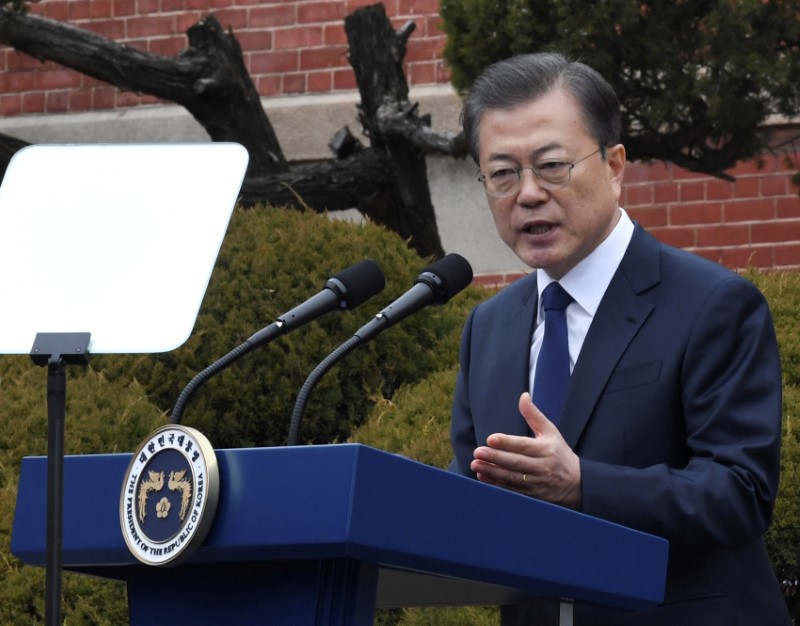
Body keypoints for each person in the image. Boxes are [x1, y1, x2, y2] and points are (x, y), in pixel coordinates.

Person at [448, 52, 791, 625]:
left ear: (613, 165)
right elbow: (466, 495)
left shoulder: (711, 304)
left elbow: (740, 492)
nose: (528, 193)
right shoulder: (490, 326)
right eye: (503, 174)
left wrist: (583, 485)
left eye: (552, 165)